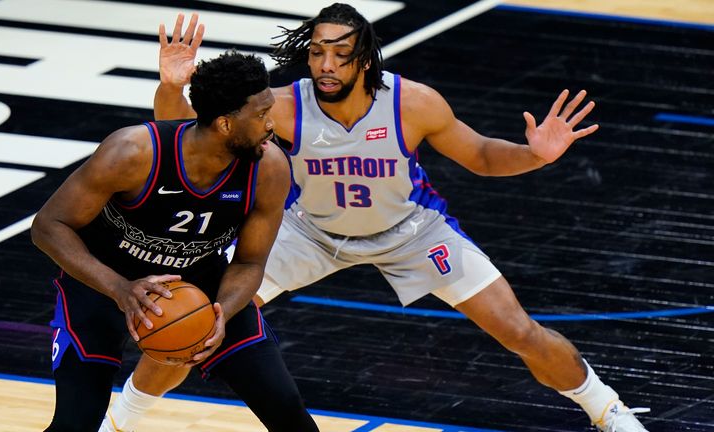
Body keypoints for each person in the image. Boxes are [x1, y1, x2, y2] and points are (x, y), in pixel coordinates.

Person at [112, 6, 651, 431]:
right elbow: (189, 138)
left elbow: (483, 156)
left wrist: (534, 153)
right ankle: (118, 423)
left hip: (412, 231)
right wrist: (170, 87)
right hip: (310, 231)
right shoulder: (280, 105)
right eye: (318, 52)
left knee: (518, 331)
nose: (325, 64)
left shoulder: (413, 103)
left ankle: (609, 411)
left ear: (365, 58)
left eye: (339, 54)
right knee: (196, 320)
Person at [31, 49, 319, 432]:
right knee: (74, 424)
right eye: (262, 115)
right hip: (102, 283)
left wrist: (222, 314)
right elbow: (48, 225)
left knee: (288, 411)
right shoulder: (133, 152)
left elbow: (249, 263)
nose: (272, 125)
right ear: (224, 124)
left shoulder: (269, 168)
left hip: (201, 282)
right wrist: (120, 288)